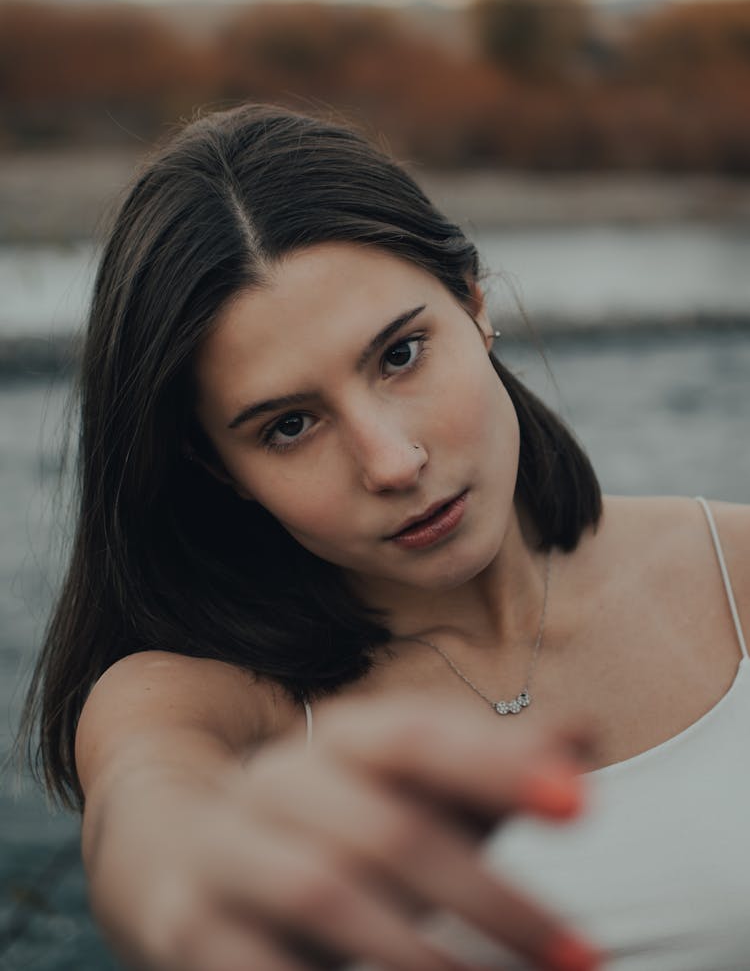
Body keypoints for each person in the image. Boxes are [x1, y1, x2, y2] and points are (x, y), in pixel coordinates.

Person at [23, 104, 749, 971]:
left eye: (400, 355)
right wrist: (187, 871)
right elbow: (148, 807)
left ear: (475, 306)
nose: (393, 462)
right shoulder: (202, 698)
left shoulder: (736, 573)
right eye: (289, 425)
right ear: (216, 467)